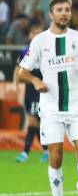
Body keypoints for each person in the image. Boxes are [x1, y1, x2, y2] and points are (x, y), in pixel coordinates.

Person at [18, 0, 78, 196]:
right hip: (51, 107)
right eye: (59, 10)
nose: (64, 13)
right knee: (55, 156)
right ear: (51, 14)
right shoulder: (39, 41)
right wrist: (35, 82)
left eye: (67, 9)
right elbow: (21, 72)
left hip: (77, 106)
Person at [13, 24, 49, 163]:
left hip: (44, 91)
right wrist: (16, 84)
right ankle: (46, 151)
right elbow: (18, 70)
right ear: (29, 35)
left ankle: (26, 152)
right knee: (36, 122)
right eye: (33, 32)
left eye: (38, 32)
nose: (35, 34)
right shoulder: (25, 51)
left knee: (34, 121)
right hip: (31, 90)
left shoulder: (47, 50)